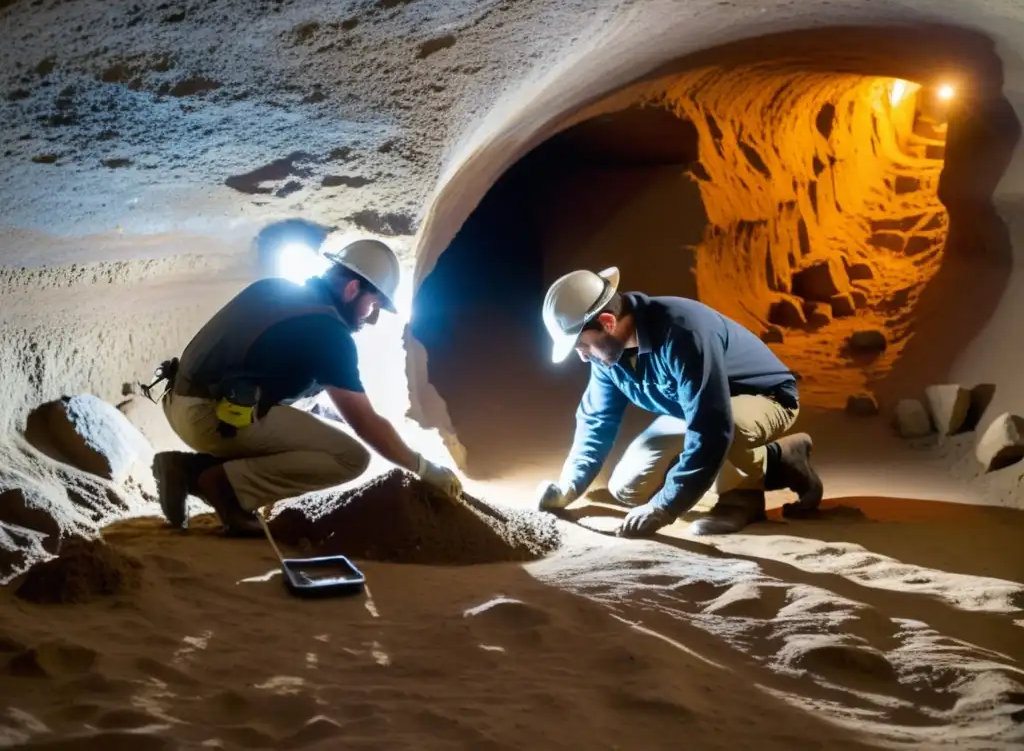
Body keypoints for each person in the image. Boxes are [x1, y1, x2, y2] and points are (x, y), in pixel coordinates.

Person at [149, 237, 464, 535]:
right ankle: (224, 486)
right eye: (374, 303)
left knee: (311, 434)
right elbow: (366, 423)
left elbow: (265, 371)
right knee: (350, 458)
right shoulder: (328, 333)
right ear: (353, 288)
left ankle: (186, 470)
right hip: (210, 417)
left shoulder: (276, 289)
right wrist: (424, 468)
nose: (372, 317)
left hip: (179, 401)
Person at [535, 266, 822, 538]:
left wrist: (665, 506)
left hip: (764, 397)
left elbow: (712, 425)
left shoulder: (682, 332)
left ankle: (741, 498)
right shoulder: (608, 354)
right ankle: (780, 461)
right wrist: (568, 486)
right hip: (696, 405)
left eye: (582, 345)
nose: (583, 356)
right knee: (628, 489)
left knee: (727, 430)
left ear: (608, 323)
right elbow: (597, 418)